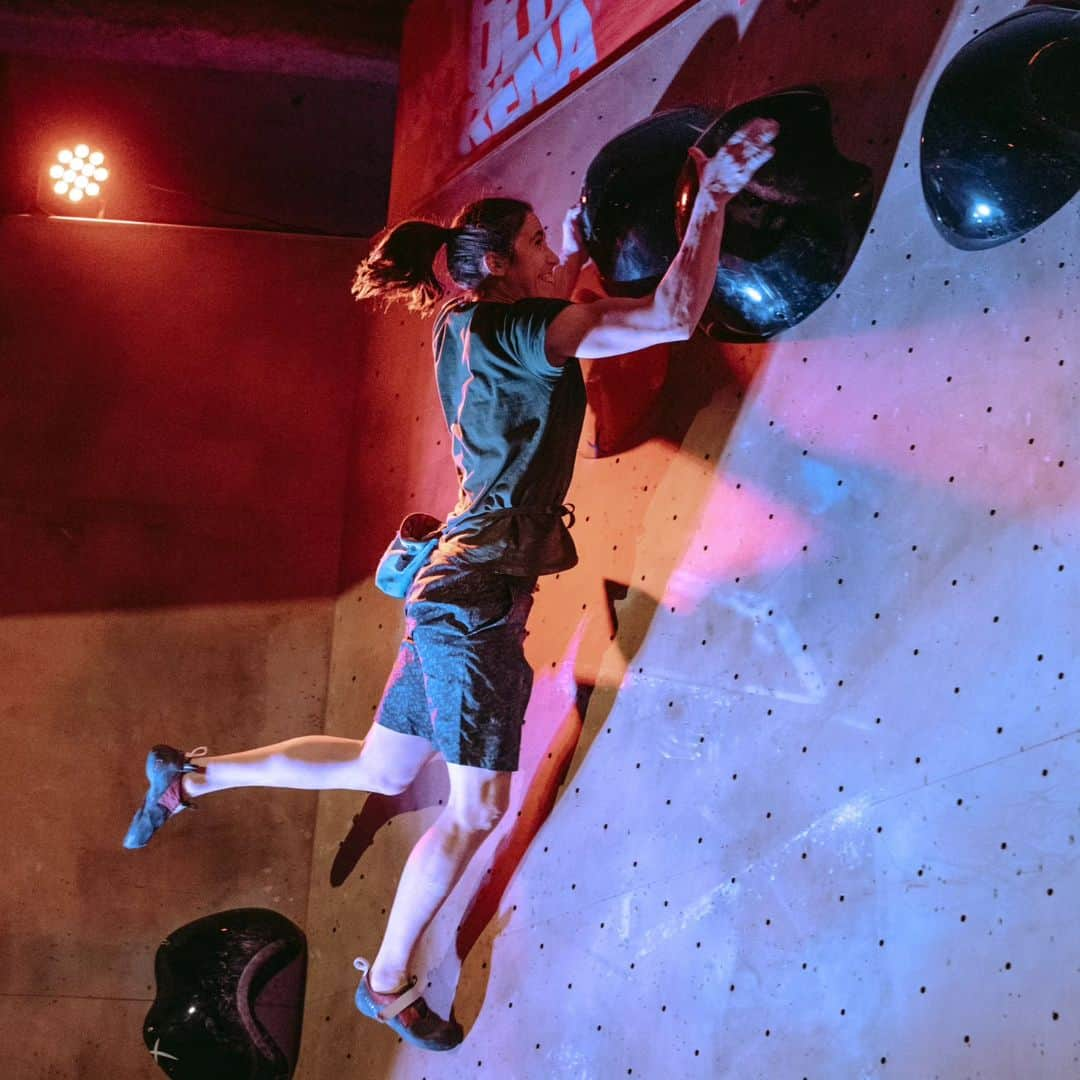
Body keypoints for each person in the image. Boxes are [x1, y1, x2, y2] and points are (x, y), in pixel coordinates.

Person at [122, 117, 779, 1052]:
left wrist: (576, 261)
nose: (556, 250)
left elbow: (539, 359)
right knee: (476, 810)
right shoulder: (516, 326)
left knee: (382, 768)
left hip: (453, 582)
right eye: (539, 245)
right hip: (471, 602)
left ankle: (190, 779)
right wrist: (709, 199)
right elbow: (674, 313)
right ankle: (388, 985)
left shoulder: (457, 332)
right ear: (499, 270)